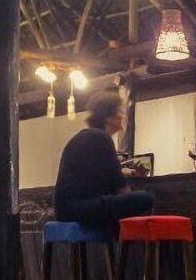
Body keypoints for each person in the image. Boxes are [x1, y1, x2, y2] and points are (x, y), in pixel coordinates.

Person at [54, 91, 154, 231]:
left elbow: (100, 174)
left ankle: (118, 240)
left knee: (117, 206)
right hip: (80, 210)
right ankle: (128, 243)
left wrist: (128, 174)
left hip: (65, 210)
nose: (122, 117)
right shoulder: (101, 138)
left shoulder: (83, 137)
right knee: (145, 198)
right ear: (109, 117)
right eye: (119, 112)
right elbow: (120, 188)